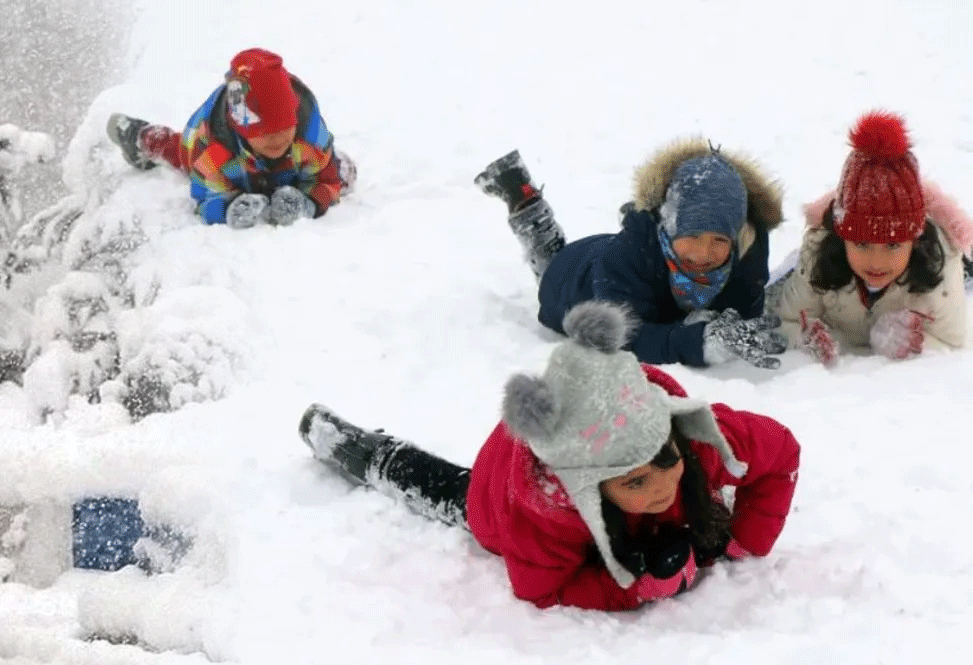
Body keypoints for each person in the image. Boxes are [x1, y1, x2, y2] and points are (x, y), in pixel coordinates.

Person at [299, 301, 800, 611]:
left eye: (664, 462)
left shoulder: (696, 436)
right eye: (633, 483)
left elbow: (781, 454)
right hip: (499, 497)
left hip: (577, 436)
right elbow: (542, 590)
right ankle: (359, 450)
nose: (662, 487)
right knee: (448, 491)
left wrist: (742, 540)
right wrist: (633, 588)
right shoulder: (546, 513)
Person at [475, 141, 787, 368]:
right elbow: (625, 338)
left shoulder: (747, 247)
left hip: (626, 258)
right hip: (574, 280)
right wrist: (698, 341)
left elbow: (745, 308)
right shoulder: (625, 260)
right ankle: (524, 201)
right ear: (668, 225)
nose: (704, 253)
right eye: (691, 235)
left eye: (719, 238)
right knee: (550, 260)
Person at [773, 110, 971, 365]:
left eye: (893, 244)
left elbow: (952, 342)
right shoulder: (818, 252)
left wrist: (912, 343)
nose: (876, 261)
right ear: (841, 235)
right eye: (862, 244)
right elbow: (785, 320)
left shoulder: (939, 267)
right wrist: (807, 336)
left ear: (915, 239)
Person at [106, 47, 356, 228]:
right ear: (242, 129)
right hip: (220, 157)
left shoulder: (309, 138)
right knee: (179, 152)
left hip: (289, 166)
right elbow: (205, 198)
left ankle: (332, 164)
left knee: (340, 173)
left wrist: (309, 203)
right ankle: (139, 137)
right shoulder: (214, 152)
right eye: (266, 134)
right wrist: (228, 209)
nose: (278, 140)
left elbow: (327, 182)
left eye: (285, 129)